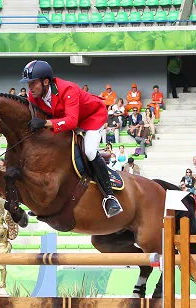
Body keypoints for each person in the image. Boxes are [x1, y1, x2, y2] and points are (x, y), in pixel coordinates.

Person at [22, 60, 122, 217]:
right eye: (28, 83)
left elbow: (71, 122)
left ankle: (110, 197)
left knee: (89, 151)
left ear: (45, 81)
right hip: (66, 120)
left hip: (92, 117)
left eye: (33, 83)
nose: (29, 87)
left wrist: (45, 123)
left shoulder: (67, 89)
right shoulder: (34, 95)